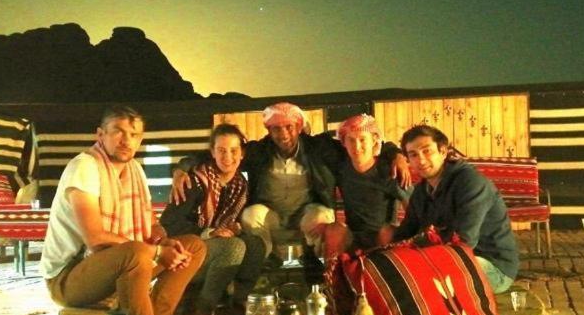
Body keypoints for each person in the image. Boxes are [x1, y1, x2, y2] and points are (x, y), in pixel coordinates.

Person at [172, 102, 410, 261]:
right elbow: (218, 153)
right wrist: (183, 168)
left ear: (298, 127)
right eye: (276, 129)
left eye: (288, 127)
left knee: (322, 216)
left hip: (307, 215)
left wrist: (395, 153)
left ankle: (321, 266)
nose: (283, 134)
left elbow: (361, 143)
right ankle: (263, 261)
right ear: (268, 130)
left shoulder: (320, 148)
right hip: (272, 216)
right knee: (251, 214)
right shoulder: (258, 151)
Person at [39, 105, 206, 315]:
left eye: (134, 134)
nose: (126, 140)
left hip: (121, 263)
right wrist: (156, 252)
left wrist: (163, 242)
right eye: (118, 131)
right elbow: (95, 238)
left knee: (193, 246)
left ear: (140, 139)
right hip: (70, 277)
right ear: (101, 134)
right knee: (136, 253)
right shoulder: (84, 166)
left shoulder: (135, 169)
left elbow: (151, 225)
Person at [379, 124, 519, 293]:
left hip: (491, 266)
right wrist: (385, 257)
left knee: (420, 276)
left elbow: (464, 242)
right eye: (413, 155)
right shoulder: (421, 192)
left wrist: (417, 256)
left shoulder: (470, 182)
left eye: (427, 151)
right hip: (446, 258)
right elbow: (406, 232)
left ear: (443, 151)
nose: (421, 160)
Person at [159, 124, 266, 315]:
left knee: (256, 244)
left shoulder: (240, 186)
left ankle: (239, 303)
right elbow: (169, 224)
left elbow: (234, 220)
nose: (228, 157)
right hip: (187, 251)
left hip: (216, 247)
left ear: (242, 154)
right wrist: (209, 233)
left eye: (234, 151)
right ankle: (204, 310)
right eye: (221, 151)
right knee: (233, 247)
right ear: (212, 153)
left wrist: (235, 227)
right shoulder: (194, 181)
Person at [321, 114, 410, 259]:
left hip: (383, 236)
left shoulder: (390, 170)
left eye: (363, 140)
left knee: (386, 232)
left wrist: (409, 235)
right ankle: (333, 276)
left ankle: (385, 270)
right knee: (334, 230)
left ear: (374, 140)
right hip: (354, 234)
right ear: (343, 142)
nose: (357, 146)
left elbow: (412, 205)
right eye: (351, 140)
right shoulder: (341, 168)